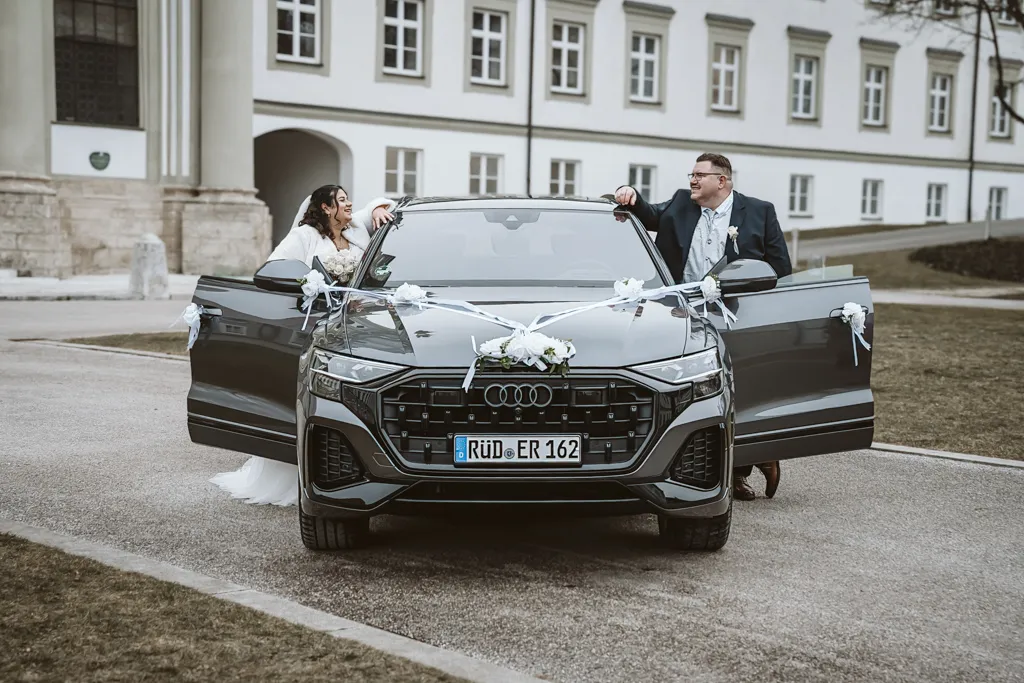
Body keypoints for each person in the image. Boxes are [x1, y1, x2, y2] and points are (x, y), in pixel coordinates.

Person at [612, 152, 792, 501]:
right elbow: (647, 213)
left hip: (738, 315)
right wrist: (628, 192)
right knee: (700, 391)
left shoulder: (759, 211)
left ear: (722, 181)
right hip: (681, 316)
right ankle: (713, 463)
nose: (692, 180)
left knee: (741, 388)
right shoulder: (681, 203)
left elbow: (779, 269)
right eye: (691, 174)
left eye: (700, 175)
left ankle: (748, 463)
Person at [210, 186, 396, 507]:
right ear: (325, 208)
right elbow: (275, 267)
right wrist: (312, 285)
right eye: (341, 200)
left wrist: (380, 206)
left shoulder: (355, 231)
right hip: (318, 324)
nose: (348, 203)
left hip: (359, 326)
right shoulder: (305, 236)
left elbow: (382, 205)